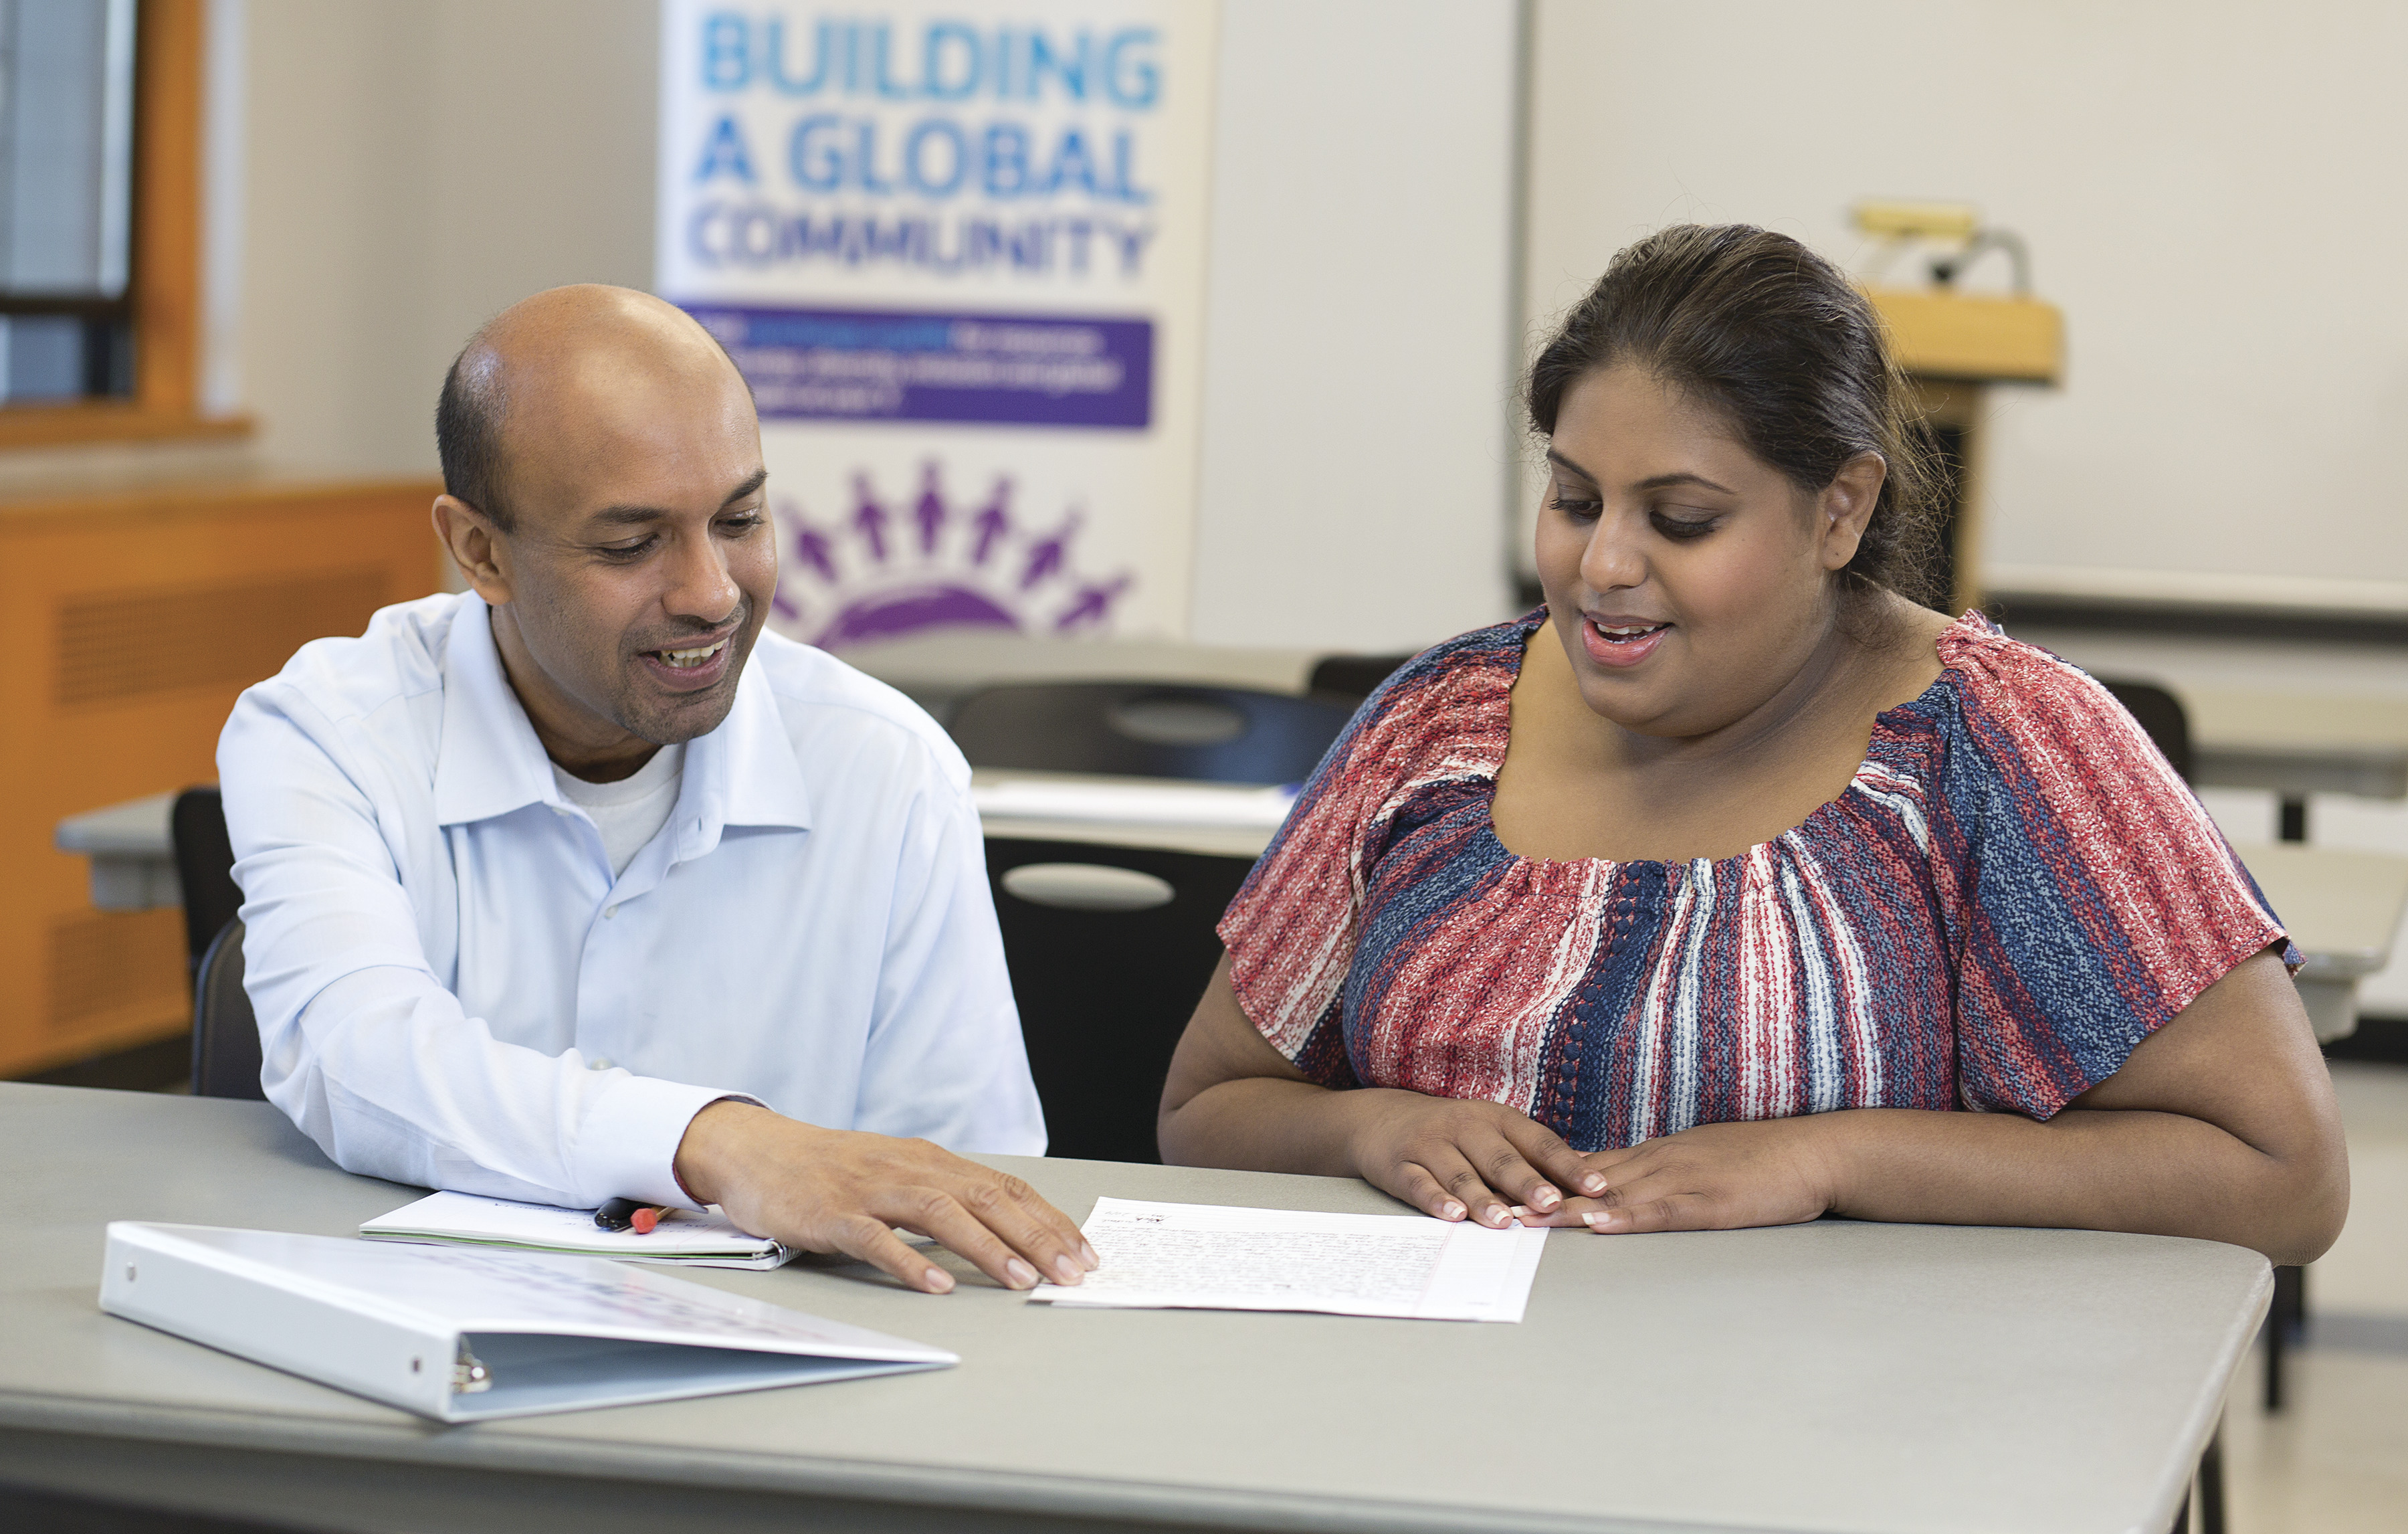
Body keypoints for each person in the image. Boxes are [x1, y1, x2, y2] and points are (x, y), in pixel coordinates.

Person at [1159, 223, 2349, 1272]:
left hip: (1859, 1427)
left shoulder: (2005, 746)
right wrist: (1372, 1129)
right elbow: (1206, 1107)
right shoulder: (1439, 722)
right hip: (1443, 1411)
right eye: (1575, 501)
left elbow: (2283, 1178)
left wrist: (1827, 1160)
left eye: (1682, 520)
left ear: (1841, 510)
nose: (1604, 565)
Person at [220, 286, 1093, 1297]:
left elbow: (960, 1183)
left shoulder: (886, 767)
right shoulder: (329, 733)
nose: (712, 592)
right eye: (632, 545)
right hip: (418, 1329)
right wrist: (717, 1143)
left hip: (804, 1355)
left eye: (741, 519)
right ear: (480, 553)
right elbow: (357, 1058)